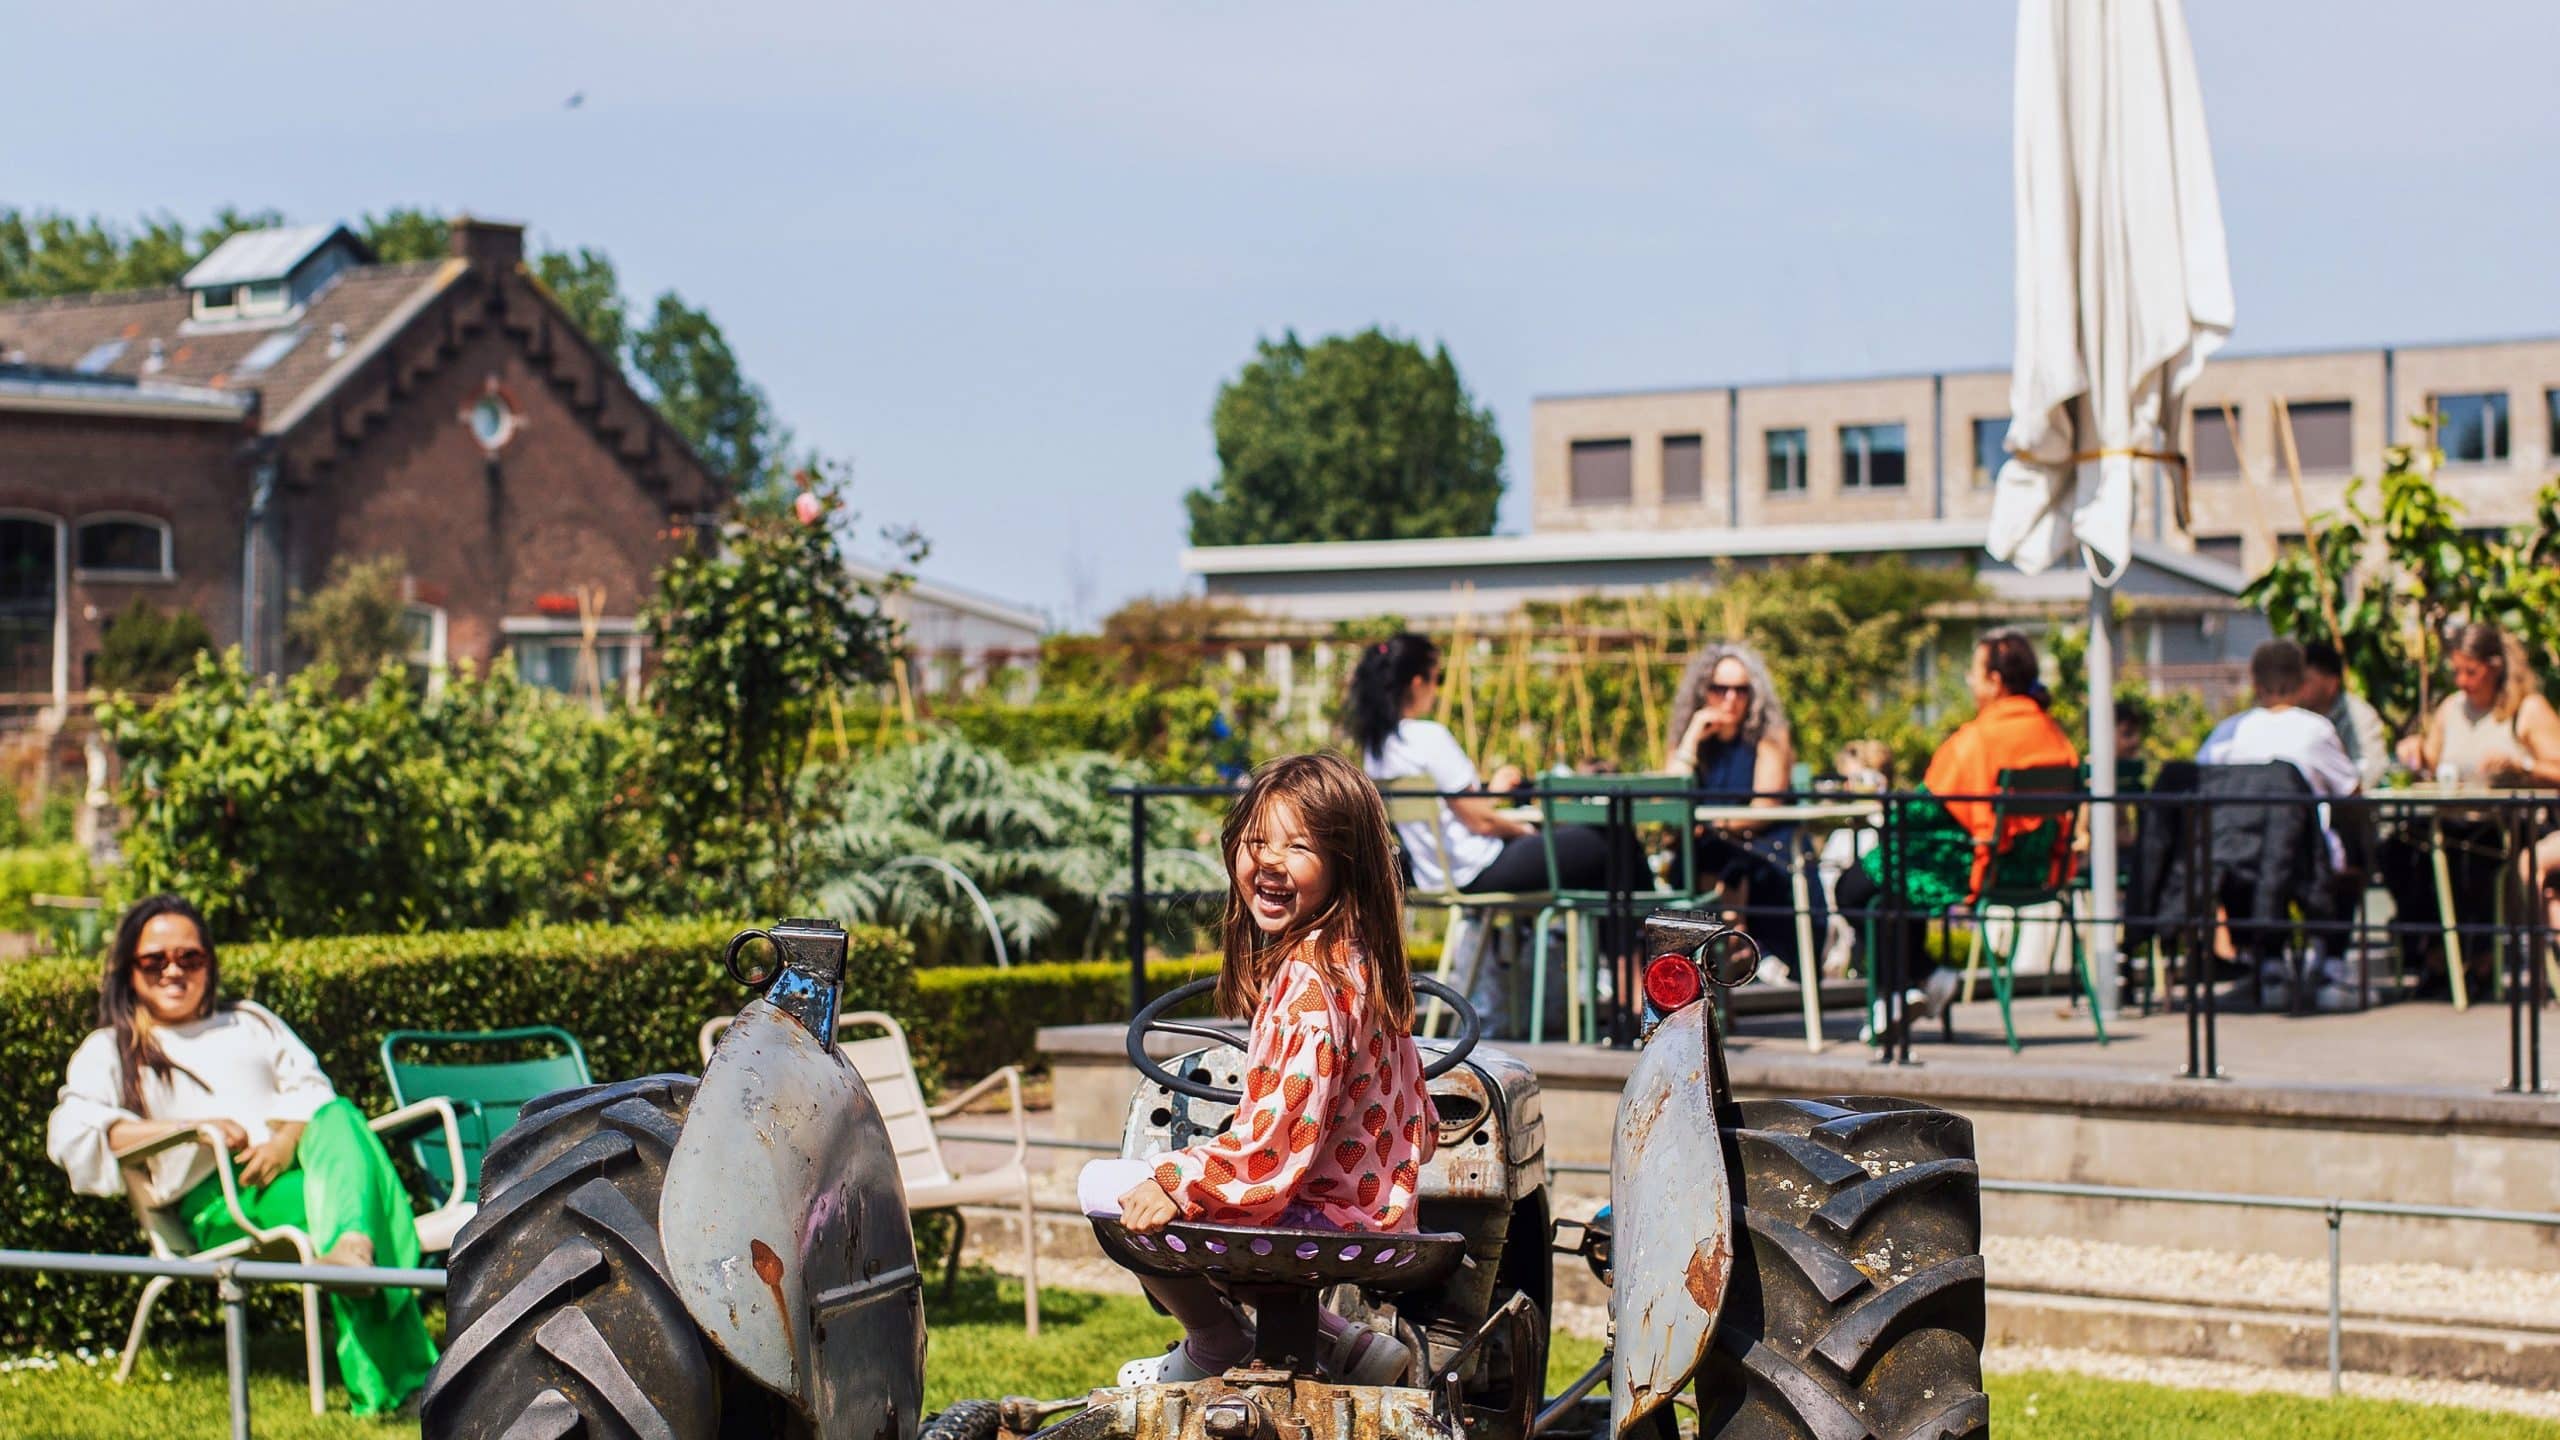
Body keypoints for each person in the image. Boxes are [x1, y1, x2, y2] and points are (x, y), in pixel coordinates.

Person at [1080, 753, 1432, 1385]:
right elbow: (1421, 1126)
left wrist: (1177, 1180)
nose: (1270, 860)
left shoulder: (1306, 985)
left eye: (1299, 846)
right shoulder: (1366, 966)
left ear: (1344, 863)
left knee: (1105, 1186)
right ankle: (1350, 1347)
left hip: (1314, 1219)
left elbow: (1270, 1149)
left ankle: (1213, 1340)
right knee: (1193, 1189)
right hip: (1372, 1210)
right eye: (1257, 840)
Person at [45, 895, 437, 1416]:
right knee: (361, 1198)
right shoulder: (111, 1048)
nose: (173, 970)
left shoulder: (250, 1020)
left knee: (339, 1115)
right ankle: (400, 1362)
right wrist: (192, 1128)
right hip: (223, 1203)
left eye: (190, 958)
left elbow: (311, 1088)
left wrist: (282, 1142)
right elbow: (72, 1130)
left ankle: (354, 1256)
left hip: (299, 1164)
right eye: (154, 960)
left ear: (209, 962)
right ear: (128, 970)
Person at [1834, 629, 2078, 1041]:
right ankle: (1912, 983)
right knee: (1896, 876)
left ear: (1995, 681)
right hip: (2035, 869)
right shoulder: (2053, 734)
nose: (1969, 679)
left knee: (1857, 886)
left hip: (1979, 865)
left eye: (1974, 671)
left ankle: (1910, 983)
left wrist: (1891, 804)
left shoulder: (1980, 738)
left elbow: (1932, 804)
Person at [1346, 633, 1612, 894]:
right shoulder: (1427, 736)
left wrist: (1494, 792)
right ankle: (1642, 933)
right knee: (1609, 838)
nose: (1437, 689)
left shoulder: (1377, 750)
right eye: (1438, 678)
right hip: (1478, 867)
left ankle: (1622, 933)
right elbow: (1481, 823)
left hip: (1436, 873)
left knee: (1587, 850)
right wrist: (1523, 831)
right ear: (1417, 683)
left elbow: (1457, 813)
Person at [2386, 622, 2560, 994]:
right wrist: (2414, 750)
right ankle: (2436, 958)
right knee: (2399, 853)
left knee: (2470, 862)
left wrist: (2522, 768)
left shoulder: (2526, 711)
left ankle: (2478, 964)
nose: (2462, 681)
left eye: (2471, 671)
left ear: (2494, 667)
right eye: (2457, 671)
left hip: (2509, 827)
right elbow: (2432, 763)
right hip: (2452, 822)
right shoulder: (2452, 708)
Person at [2196, 639, 2365, 1008]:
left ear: (2255, 684)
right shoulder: (2316, 730)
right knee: (2352, 847)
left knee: (2236, 853)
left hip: (2237, 859)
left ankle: (2268, 963)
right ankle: (2332, 964)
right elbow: (2353, 793)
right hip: (2302, 859)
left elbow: (2200, 787)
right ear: (2303, 682)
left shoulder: (2225, 736)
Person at [1665, 643, 1821, 982]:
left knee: (1721, 857)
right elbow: (1667, 800)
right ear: (1703, 691)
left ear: (1754, 694)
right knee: (1701, 860)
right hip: (1708, 853)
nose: (1730, 698)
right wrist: (1691, 739)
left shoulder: (1769, 736)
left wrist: (1712, 823)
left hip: (1767, 851)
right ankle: (1726, 952)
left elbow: (1764, 810)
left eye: (1740, 689)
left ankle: (1735, 947)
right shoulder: (1695, 741)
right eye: (1719, 689)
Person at [2300, 641, 2389, 791]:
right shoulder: (2296, 714)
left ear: (2332, 683)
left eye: (2307, 681)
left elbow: (2373, 768)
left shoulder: (2359, 715)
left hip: (2344, 806)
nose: (2300, 687)